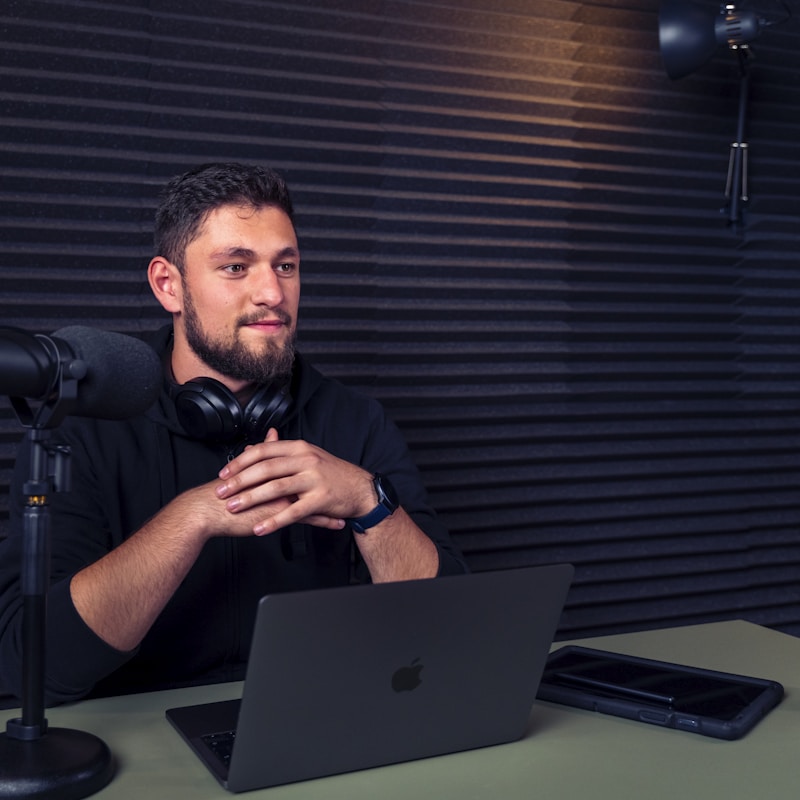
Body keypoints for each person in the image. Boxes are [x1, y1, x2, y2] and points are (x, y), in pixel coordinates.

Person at [0, 162, 467, 706]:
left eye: (286, 265)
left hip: (319, 722)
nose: (272, 291)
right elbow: (32, 666)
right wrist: (191, 519)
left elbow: (449, 628)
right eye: (236, 267)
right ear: (168, 285)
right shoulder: (83, 431)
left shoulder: (354, 421)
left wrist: (369, 500)